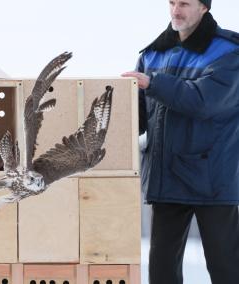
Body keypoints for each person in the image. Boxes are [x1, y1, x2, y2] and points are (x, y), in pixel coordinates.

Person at [122, 0, 239, 283]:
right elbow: (137, 118)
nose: (176, 10)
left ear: (204, 7)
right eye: (172, 2)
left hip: (212, 180)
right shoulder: (151, 55)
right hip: (167, 178)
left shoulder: (229, 52)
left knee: (227, 270)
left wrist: (153, 84)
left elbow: (203, 101)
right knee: (161, 273)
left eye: (184, 3)